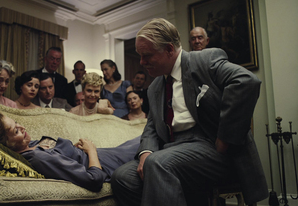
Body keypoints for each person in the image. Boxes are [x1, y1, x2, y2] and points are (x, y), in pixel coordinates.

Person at [110, 18, 268, 206]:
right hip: (171, 150)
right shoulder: (155, 88)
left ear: (169, 49)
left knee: (158, 163)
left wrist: (225, 138)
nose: (142, 62)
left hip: (212, 149)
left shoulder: (203, 60)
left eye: (147, 55)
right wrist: (146, 152)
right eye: (140, 56)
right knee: (122, 177)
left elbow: (246, 82)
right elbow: (151, 126)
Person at [0, 109, 140, 192]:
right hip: (106, 164)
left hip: (107, 153)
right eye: (16, 131)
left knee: (144, 139)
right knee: (148, 144)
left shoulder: (31, 145)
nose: (22, 127)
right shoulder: (37, 158)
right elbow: (94, 180)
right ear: (6, 145)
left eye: (17, 123)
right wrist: (91, 150)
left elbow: (58, 152)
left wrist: (73, 148)